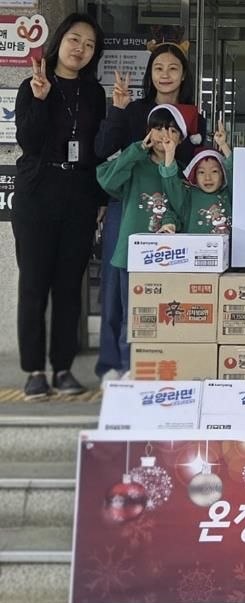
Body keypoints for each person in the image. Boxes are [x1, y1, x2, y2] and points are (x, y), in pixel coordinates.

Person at [94, 39, 202, 388]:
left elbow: (198, 165)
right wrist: (118, 110)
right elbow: (104, 152)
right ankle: (114, 362)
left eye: (173, 68)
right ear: (149, 73)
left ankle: (153, 358)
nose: (165, 75)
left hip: (171, 209)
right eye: (158, 68)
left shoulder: (192, 114)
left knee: (157, 293)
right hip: (129, 206)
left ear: (184, 74)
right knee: (116, 288)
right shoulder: (134, 108)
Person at [12, 13, 106, 400]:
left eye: (89, 44)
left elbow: (98, 150)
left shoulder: (94, 93)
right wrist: (38, 100)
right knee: (34, 285)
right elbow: (28, 141)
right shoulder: (33, 84)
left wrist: (99, 198)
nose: (80, 48)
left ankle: (63, 368)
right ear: (60, 41)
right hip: (38, 193)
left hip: (79, 194)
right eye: (74, 39)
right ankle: (35, 371)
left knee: (69, 288)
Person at [160, 118, 233, 234]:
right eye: (201, 172)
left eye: (214, 171)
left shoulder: (230, 194)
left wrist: (223, 145)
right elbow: (171, 186)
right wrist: (169, 153)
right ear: (194, 176)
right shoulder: (188, 196)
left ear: (223, 174)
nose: (208, 178)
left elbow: (234, 172)